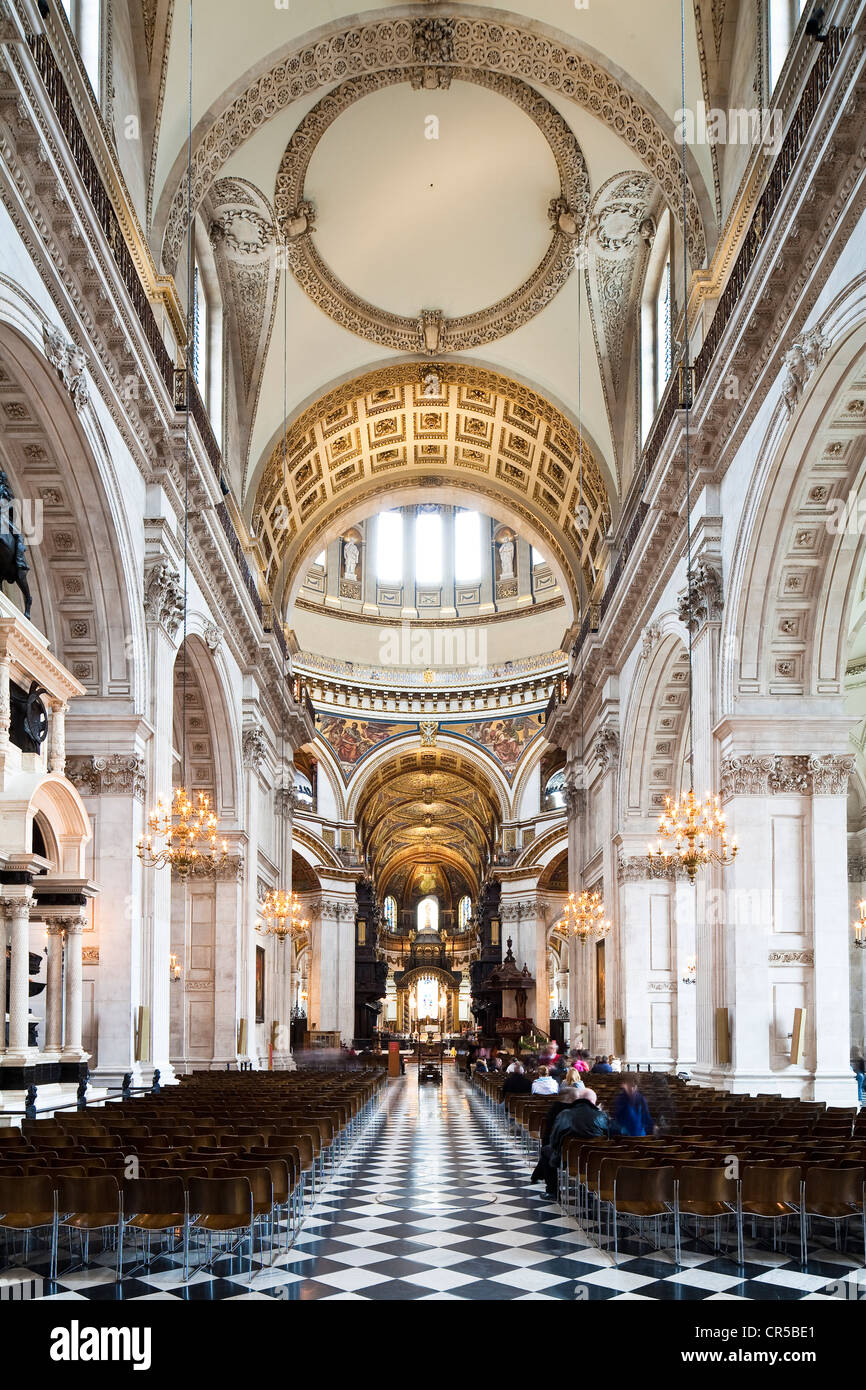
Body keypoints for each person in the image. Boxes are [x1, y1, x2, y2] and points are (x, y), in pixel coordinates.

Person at [544, 1087, 609, 1197]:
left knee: (546, 1151)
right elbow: (608, 1138)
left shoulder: (564, 1114)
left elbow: (554, 1139)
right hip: (594, 1160)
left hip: (567, 1159)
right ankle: (589, 1190)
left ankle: (552, 1191)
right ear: (592, 1102)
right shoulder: (601, 1116)